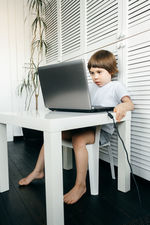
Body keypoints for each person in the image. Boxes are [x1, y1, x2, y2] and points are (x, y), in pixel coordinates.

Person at [18, 50, 134, 204]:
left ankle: (80, 185)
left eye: (99, 72)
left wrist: (122, 106)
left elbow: (130, 104)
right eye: (92, 73)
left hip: (101, 132)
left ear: (111, 71)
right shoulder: (91, 87)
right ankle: (38, 171)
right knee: (52, 134)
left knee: (78, 139)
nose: (95, 77)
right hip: (83, 127)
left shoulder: (115, 86)